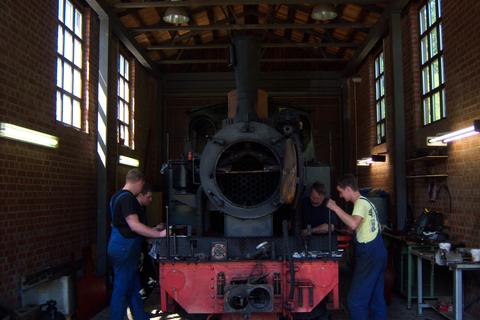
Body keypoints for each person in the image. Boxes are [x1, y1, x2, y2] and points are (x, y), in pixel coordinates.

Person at [326, 174, 387, 320]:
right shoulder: (368, 203)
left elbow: (353, 223)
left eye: (341, 192)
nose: (340, 196)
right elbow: (358, 226)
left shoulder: (360, 203)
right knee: (376, 298)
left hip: (369, 255)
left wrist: (335, 207)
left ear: (348, 189)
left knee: (355, 301)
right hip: (379, 252)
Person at [108, 169, 166, 320]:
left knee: (133, 285)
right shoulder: (128, 199)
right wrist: (159, 234)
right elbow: (134, 225)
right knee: (121, 288)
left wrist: (151, 231)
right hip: (124, 248)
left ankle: (140, 316)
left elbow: (125, 226)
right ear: (139, 182)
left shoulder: (116, 196)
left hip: (120, 245)